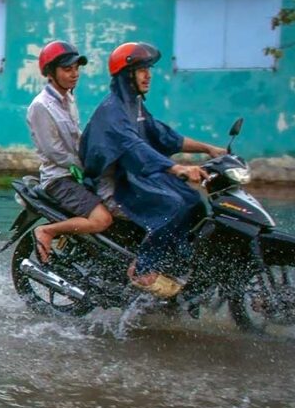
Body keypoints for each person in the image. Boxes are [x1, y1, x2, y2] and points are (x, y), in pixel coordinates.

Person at [80, 42, 226, 298]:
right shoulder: (112, 112)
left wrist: (209, 148)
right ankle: (143, 267)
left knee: (193, 200)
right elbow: (136, 149)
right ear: (127, 75)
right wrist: (177, 168)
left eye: (148, 68)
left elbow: (164, 136)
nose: (148, 75)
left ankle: (177, 264)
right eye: (140, 69)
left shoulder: (133, 106)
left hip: (134, 179)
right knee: (173, 206)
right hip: (114, 187)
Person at [27, 40, 112, 263]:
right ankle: (47, 231)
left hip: (77, 173)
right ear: (51, 73)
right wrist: (88, 166)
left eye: (76, 69)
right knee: (102, 219)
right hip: (60, 179)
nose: (74, 74)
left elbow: (77, 137)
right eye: (67, 69)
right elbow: (55, 152)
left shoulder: (68, 99)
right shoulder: (41, 106)